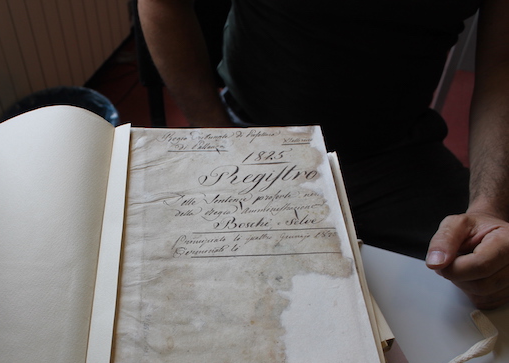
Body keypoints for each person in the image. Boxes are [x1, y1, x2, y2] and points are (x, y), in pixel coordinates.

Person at [138, 0, 509, 309]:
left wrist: (489, 207)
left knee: (489, 287)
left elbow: (501, 63)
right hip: (250, 141)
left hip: (400, 157)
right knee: (183, 299)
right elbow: (163, 5)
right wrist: (219, 137)